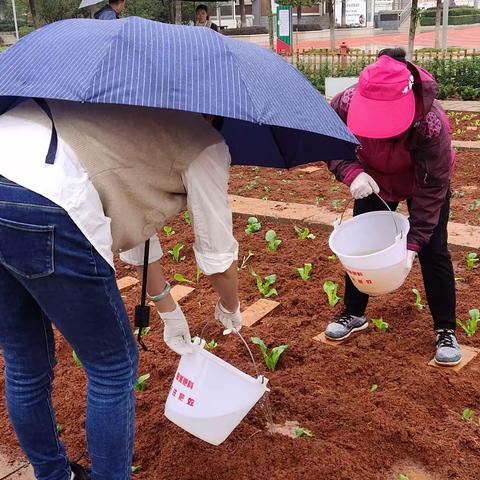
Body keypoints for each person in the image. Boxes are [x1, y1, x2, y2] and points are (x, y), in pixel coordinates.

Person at [0, 98, 241, 479]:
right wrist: (231, 307)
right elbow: (217, 255)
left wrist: (166, 306)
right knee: (112, 366)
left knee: (25, 361)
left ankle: (52, 474)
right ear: (214, 109)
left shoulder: (122, 103)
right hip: (47, 195)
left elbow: (135, 229)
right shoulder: (204, 142)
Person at [325, 48, 461, 366]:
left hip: (421, 180)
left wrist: (412, 244)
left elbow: (432, 188)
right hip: (373, 178)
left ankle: (446, 329)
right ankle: (354, 313)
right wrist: (350, 171)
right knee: (362, 242)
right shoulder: (345, 104)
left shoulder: (430, 123)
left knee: (433, 250)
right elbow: (329, 141)